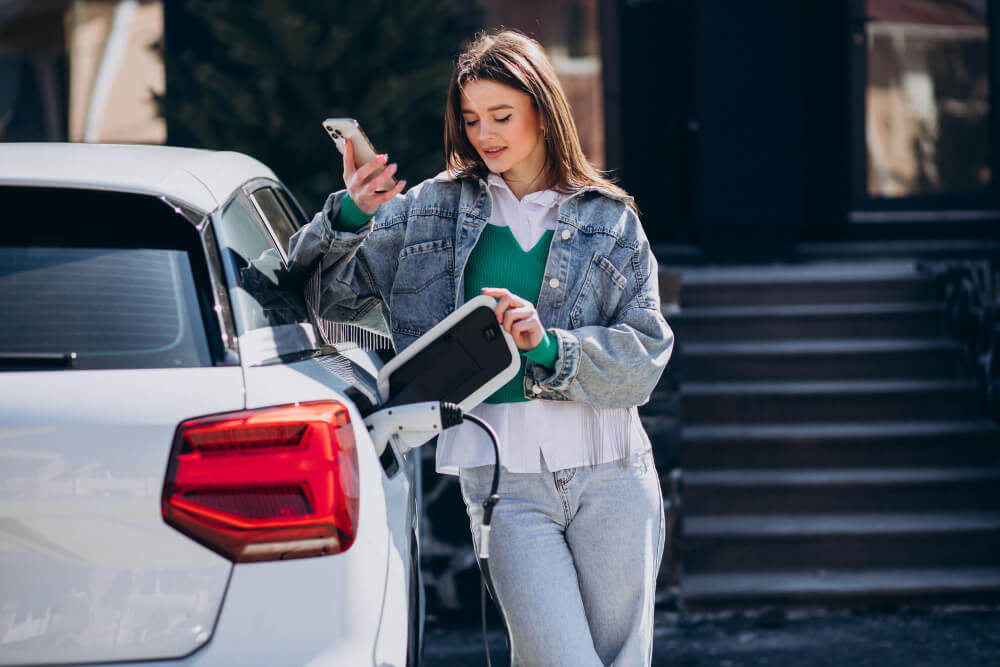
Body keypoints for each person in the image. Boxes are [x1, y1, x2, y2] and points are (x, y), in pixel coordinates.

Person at [287, 29, 673, 667]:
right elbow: (320, 298)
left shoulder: (611, 219)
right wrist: (352, 215)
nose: (484, 134)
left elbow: (647, 357)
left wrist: (550, 347)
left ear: (544, 114)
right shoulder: (430, 210)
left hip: (614, 478)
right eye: (470, 120)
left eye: (501, 116)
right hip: (507, 486)